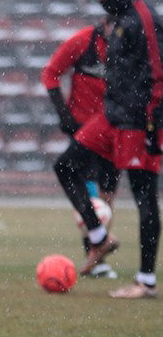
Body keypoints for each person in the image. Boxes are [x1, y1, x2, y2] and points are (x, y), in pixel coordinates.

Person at [53, 0, 163, 299]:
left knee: (145, 197)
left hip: (139, 122)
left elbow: (158, 73)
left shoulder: (143, 18)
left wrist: (152, 123)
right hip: (113, 117)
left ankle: (146, 281)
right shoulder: (119, 17)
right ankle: (100, 239)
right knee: (65, 166)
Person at [42, 17, 120, 278]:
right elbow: (51, 72)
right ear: (105, 24)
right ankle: (96, 251)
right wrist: (64, 115)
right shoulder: (83, 41)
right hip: (85, 131)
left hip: (114, 129)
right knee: (90, 193)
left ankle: (98, 252)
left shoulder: (129, 47)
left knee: (108, 196)